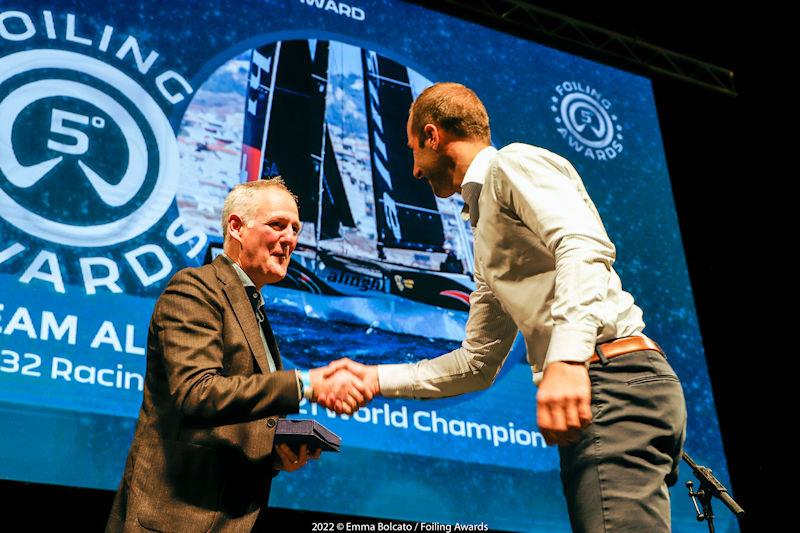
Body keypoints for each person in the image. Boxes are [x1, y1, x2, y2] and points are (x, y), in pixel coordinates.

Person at [321, 83, 687, 532]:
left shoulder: (510, 165)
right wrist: (375, 378)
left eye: (413, 149)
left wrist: (567, 358)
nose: (414, 169)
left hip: (611, 380)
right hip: (614, 385)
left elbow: (582, 244)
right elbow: (477, 363)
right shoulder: (485, 232)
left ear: (433, 136)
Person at [107, 178, 370, 532]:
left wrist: (275, 452)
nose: (290, 238)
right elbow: (197, 393)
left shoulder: (254, 307)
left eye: (295, 229)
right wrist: (305, 383)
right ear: (236, 227)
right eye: (277, 225)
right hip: (176, 519)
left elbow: (237, 421)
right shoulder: (195, 288)